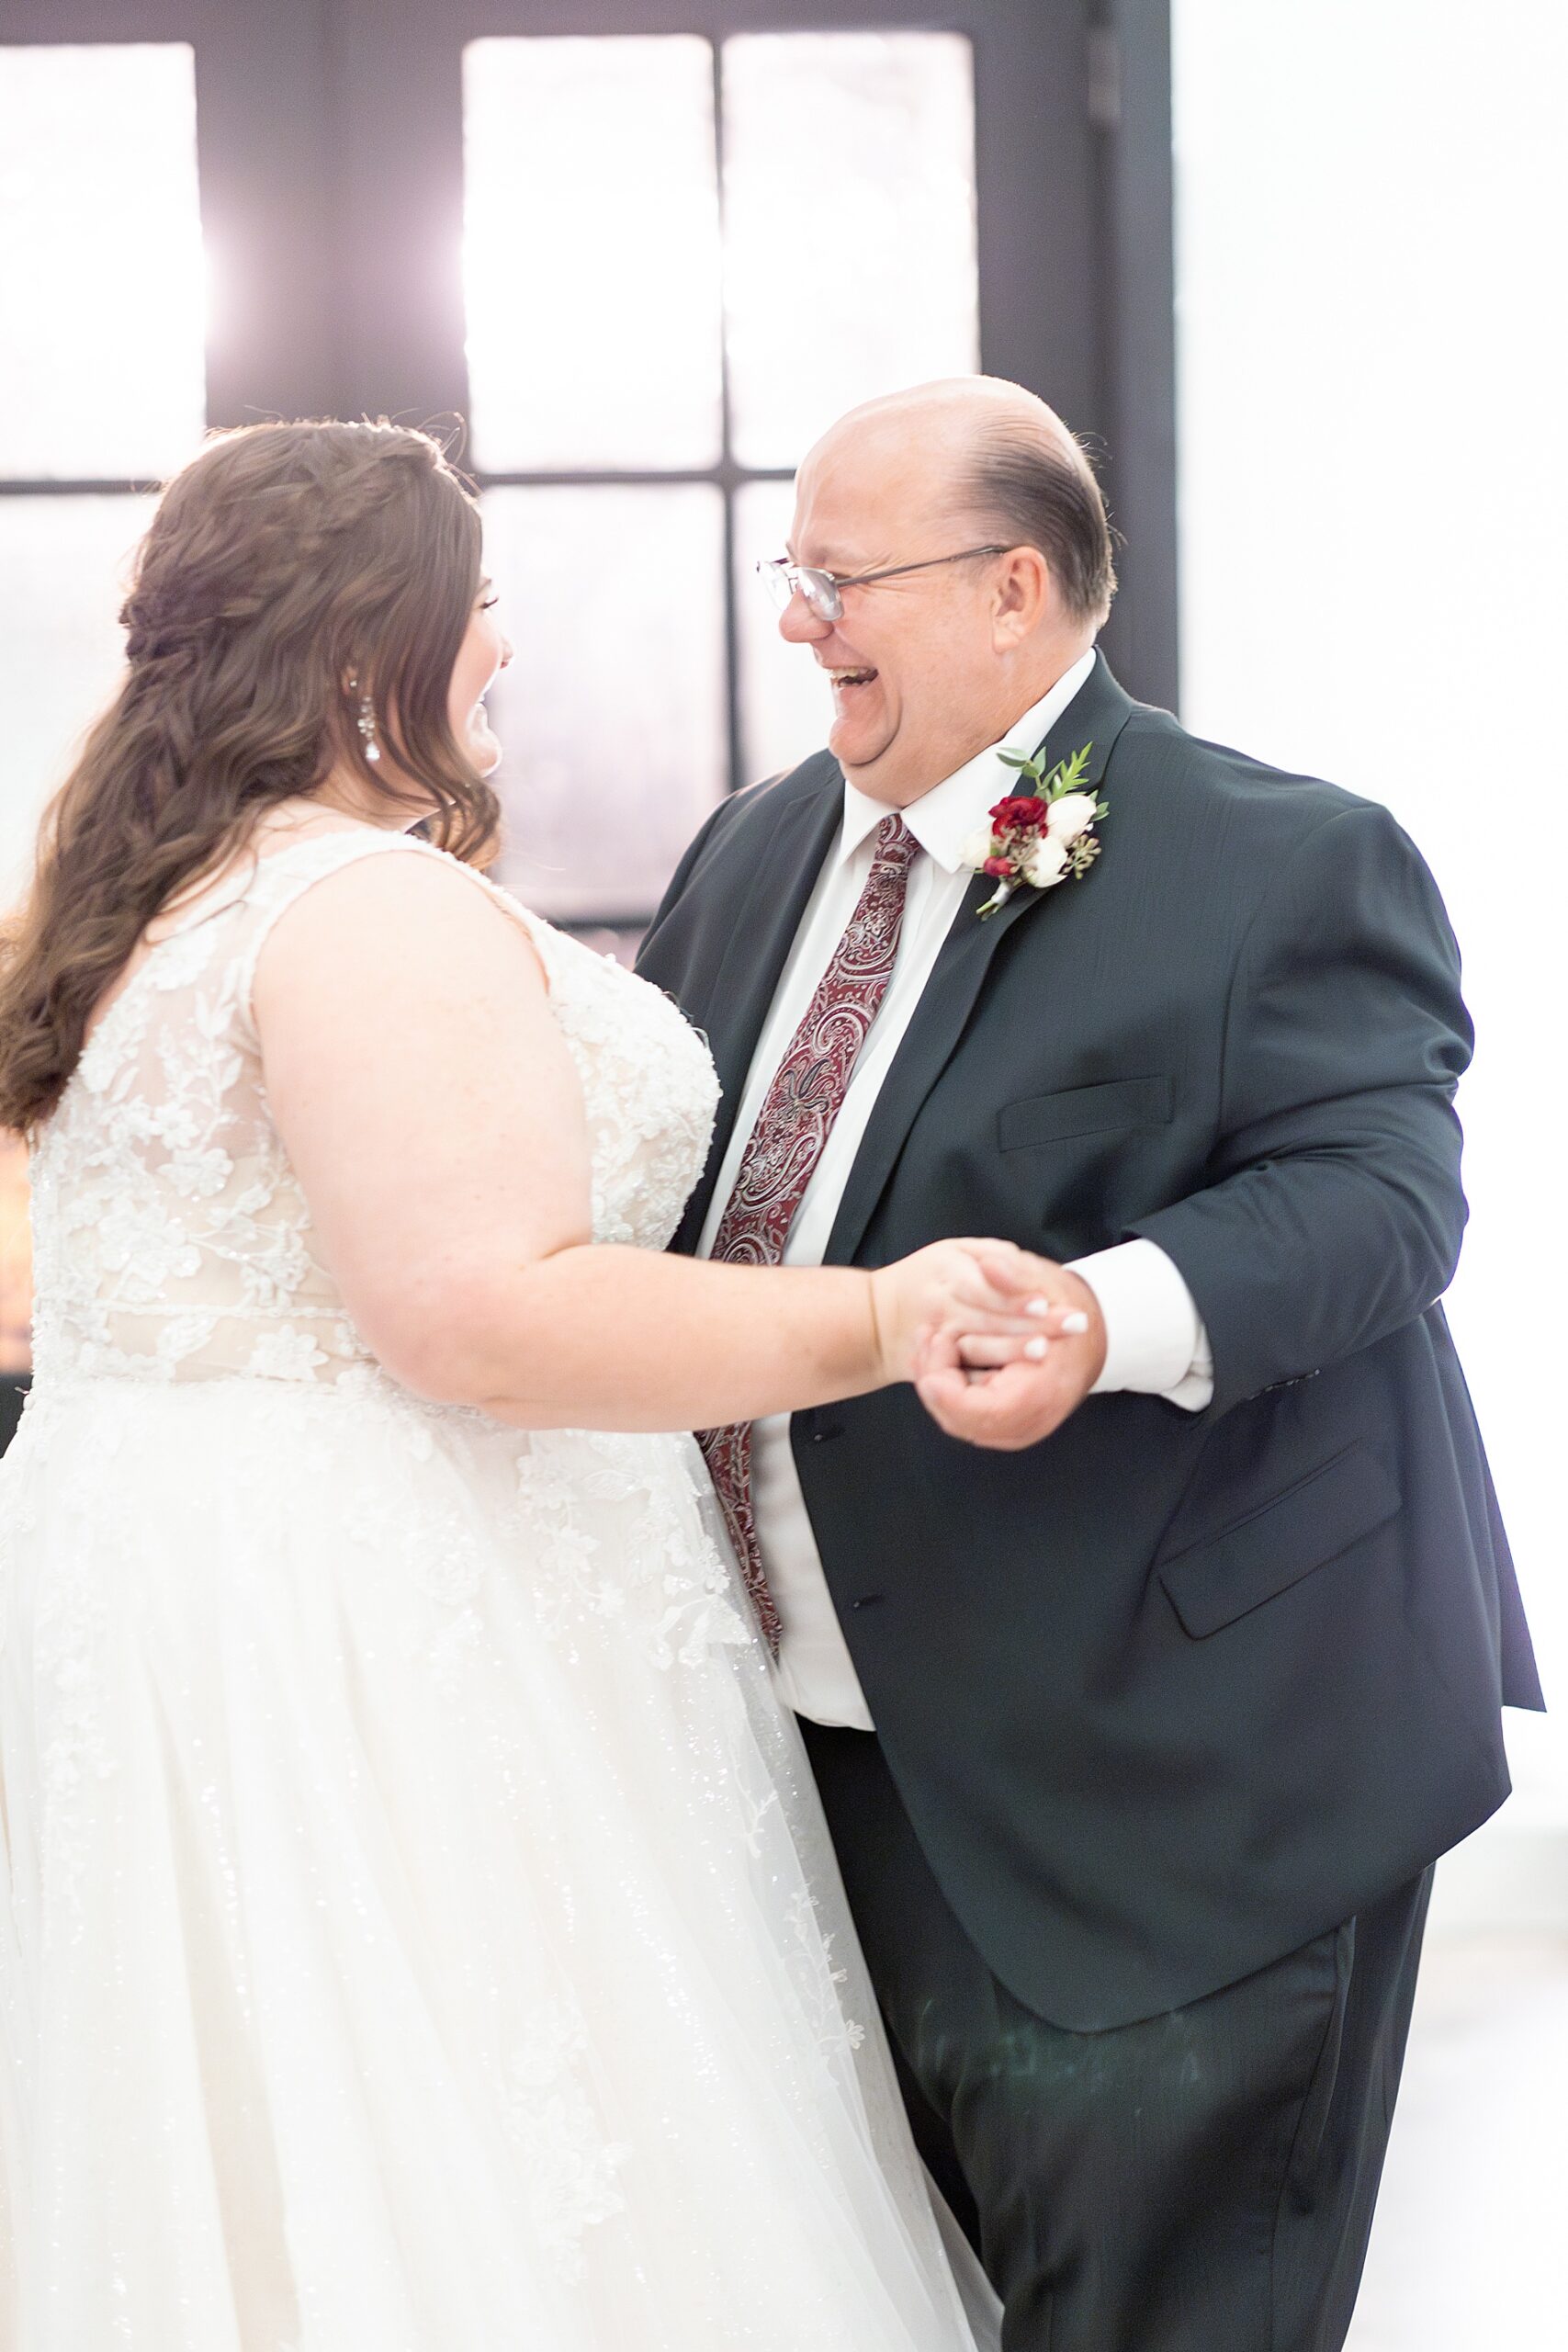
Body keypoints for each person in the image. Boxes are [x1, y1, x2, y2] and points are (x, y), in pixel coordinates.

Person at [0, 417, 1072, 2348]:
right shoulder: (358, 909)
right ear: (362, 653)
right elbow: (481, 1313)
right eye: (478, 604)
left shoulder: (142, 907)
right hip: (389, 1633)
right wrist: (884, 1313)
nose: (504, 645)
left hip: (202, 1601)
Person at [637, 375, 1543, 2352]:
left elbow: (1383, 1199)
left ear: (1012, 590)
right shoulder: (748, 850)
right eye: (788, 573)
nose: (795, 621)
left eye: (836, 578)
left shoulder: (1278, 858)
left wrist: (1100, 1313)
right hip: (814, 1754)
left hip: (1178, 1765)